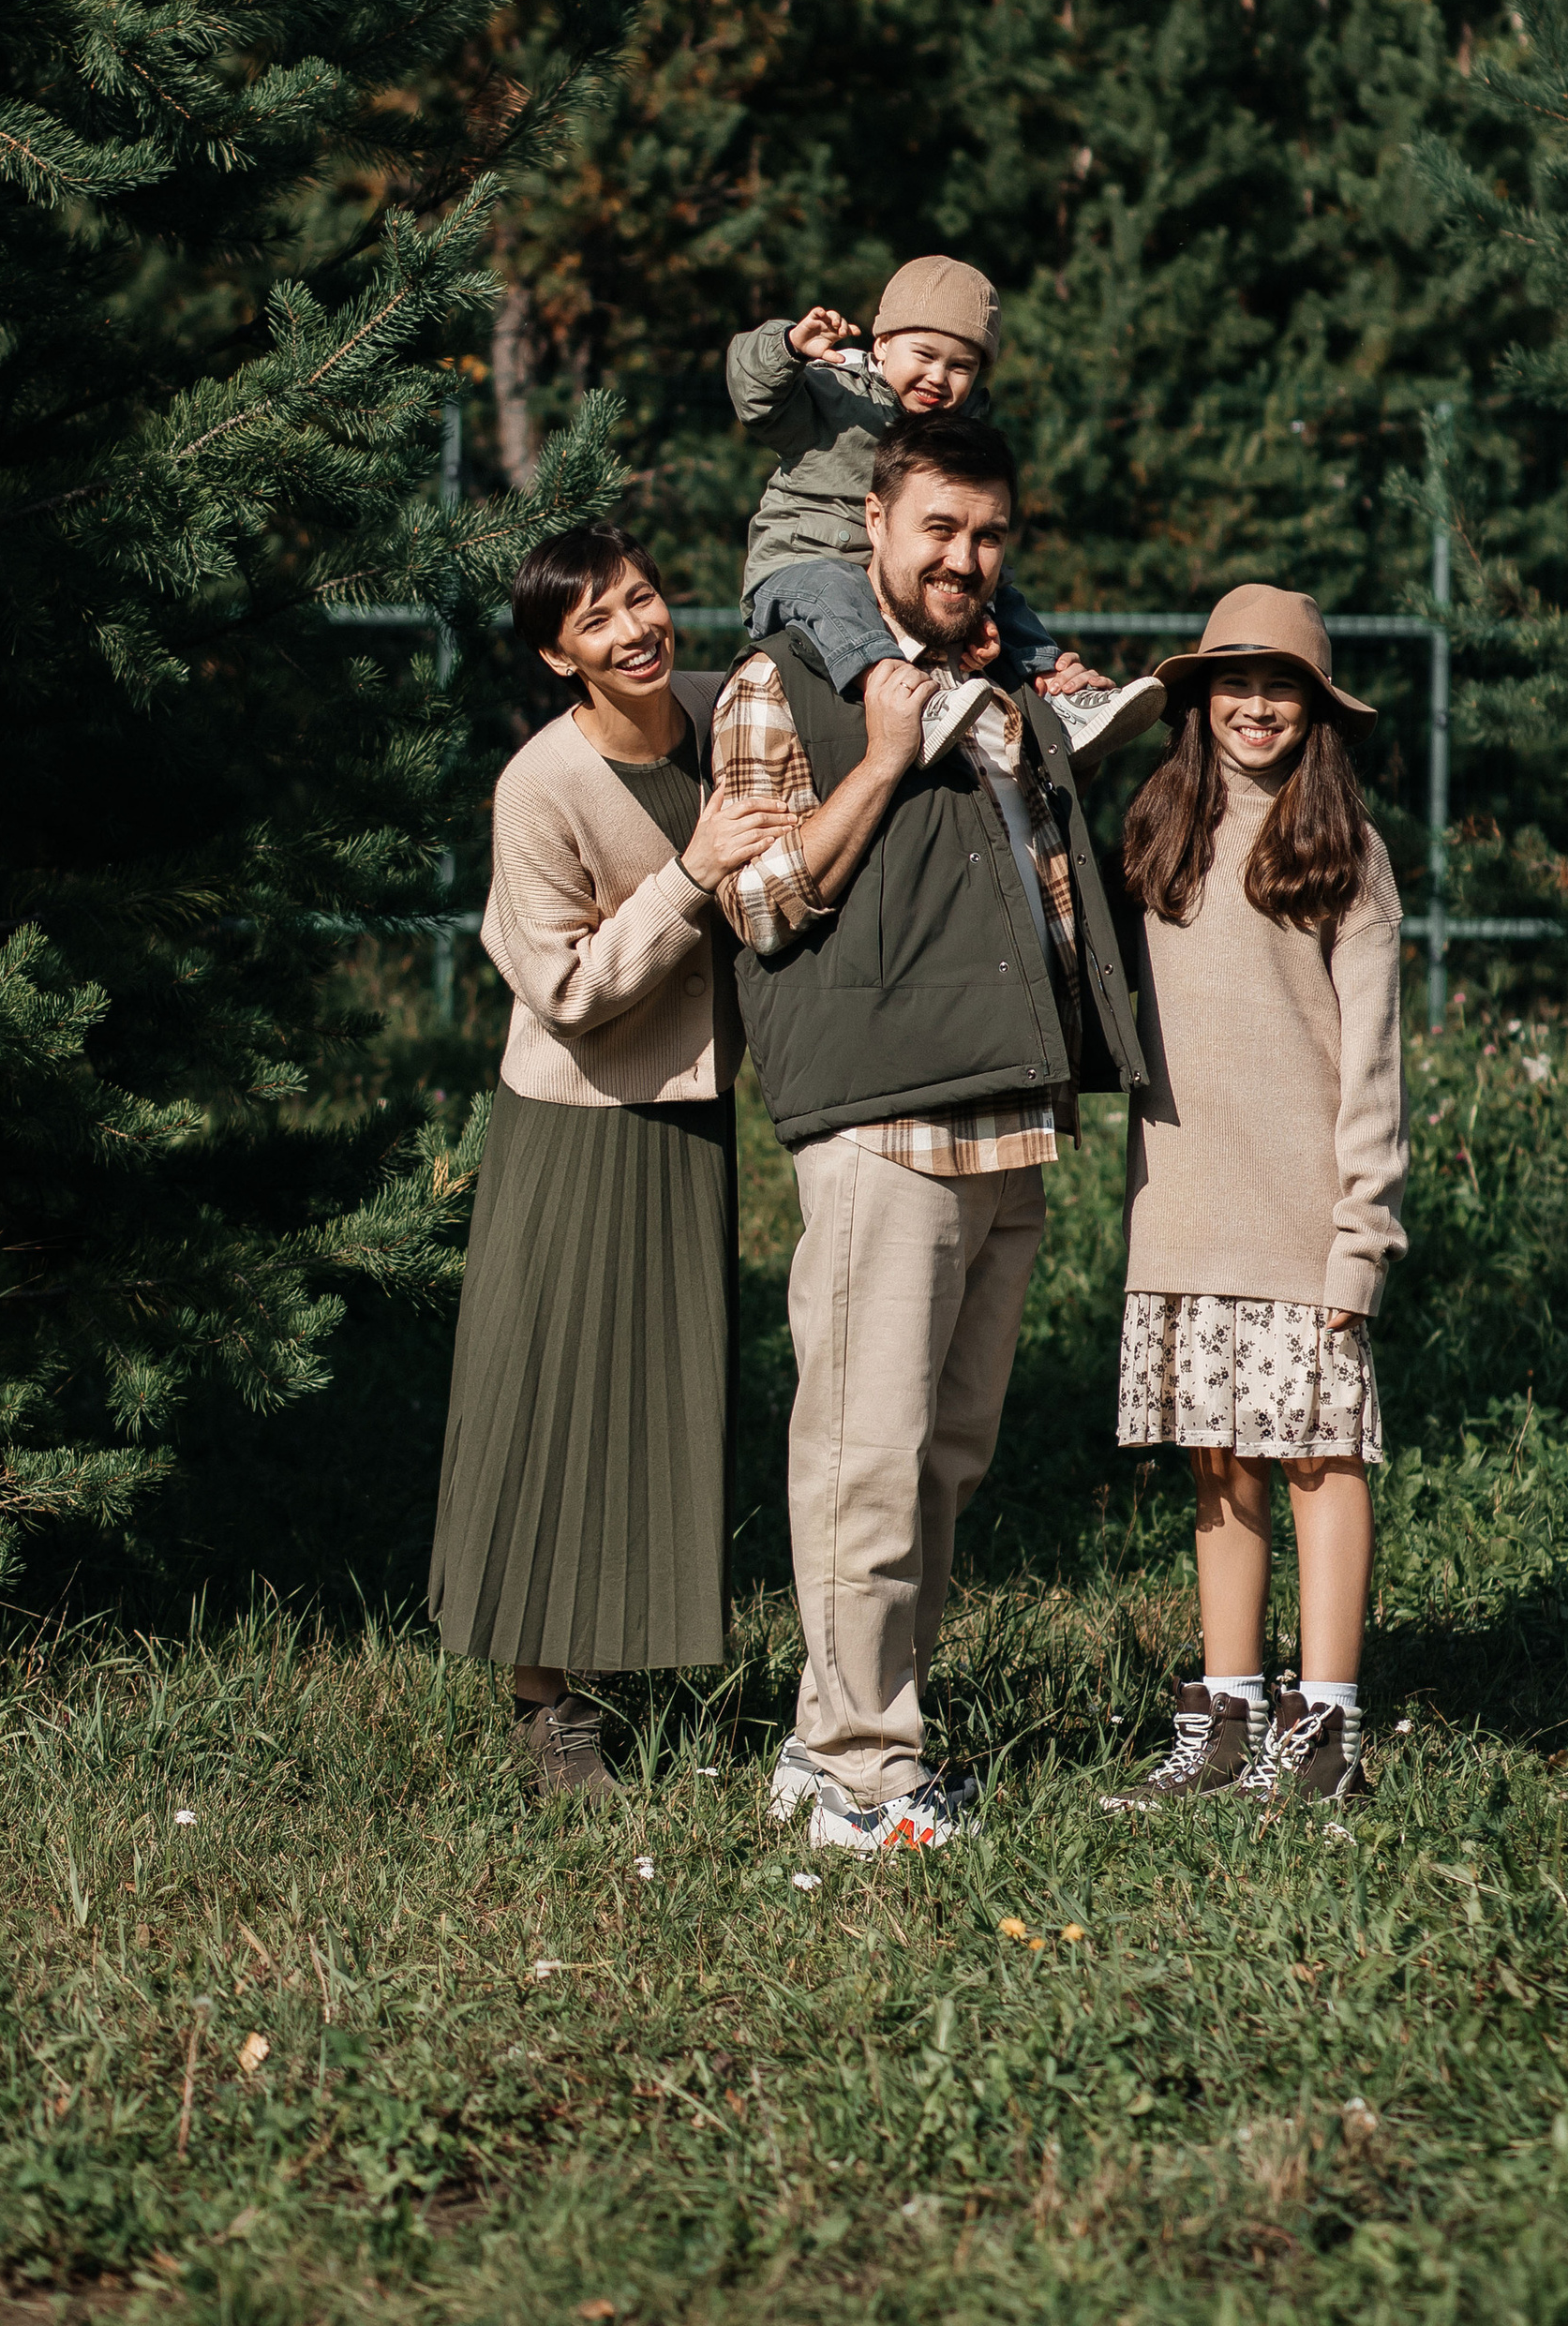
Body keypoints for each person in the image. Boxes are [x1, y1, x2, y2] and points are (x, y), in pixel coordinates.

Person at [709, 404, 1148, 1852]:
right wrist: (885, 758)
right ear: (875, 530)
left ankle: (860, 1735)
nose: (964, 556)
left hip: (1011, 1117)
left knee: (945, 1456)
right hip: (884, 1123)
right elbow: (758, 902)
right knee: (863, 1450)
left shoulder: (1006, 679)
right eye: (937, 529)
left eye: (988, 534)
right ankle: (853, 1774)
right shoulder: (784, 683)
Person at [430, 525, 775, 1804]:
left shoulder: (713, 713)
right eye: (597, 622)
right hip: (575, 1122)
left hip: (688, 1115)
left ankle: (625, 1663)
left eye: (640, 597)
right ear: (555, 656)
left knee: (658, 1397)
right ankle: (544, 1702)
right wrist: (690, 876)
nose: (636, 628)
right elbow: (568, 989)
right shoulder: (541, 786)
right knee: (544, 1401)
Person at [1109, 586, 1408, 1816]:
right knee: (1219, 1460)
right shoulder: (1156, 831)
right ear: (1196, 699)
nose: (1256, 705)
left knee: (1317, 1459)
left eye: (1282, 685)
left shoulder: (1346, 850)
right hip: (1180, 1210)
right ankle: (1227, 1714)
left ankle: (1325, 1725)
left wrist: (1362, 1239)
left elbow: (1373, 1064)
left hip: (1306, 1218)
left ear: (1317, 710)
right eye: (1234, 681)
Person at [725, 252, 1161, 768]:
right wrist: (789, 347)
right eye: (925, 355)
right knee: (836, 589)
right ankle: (910, 702)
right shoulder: (829, 394)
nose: (939, 376)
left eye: (961, 366)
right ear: (881, 345)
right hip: (803, 568)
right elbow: (755, 396)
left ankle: (1060, 694)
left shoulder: (959, 430)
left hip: (905, 579)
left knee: (1002, 594)